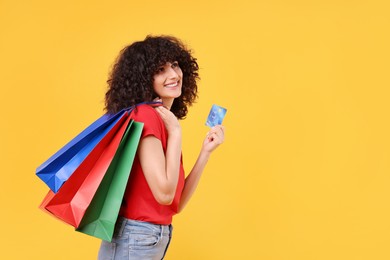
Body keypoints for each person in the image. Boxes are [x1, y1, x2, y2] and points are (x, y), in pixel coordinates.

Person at [98, 35, 225, 260]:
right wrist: (176, 133)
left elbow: (175, 204)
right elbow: (164, 194)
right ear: (145, 79)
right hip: (137, 237)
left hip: (151, 235)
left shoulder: (162, 120)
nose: (174, 75)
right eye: (161, 69)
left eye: (175, 65)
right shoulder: (146, 116)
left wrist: (205, 152)